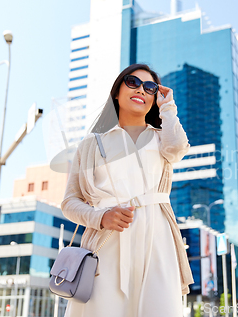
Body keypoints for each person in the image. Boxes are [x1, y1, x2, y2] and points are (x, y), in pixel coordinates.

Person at [60, 63, 194, 317]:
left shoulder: (162, 138)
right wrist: (100, 217)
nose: (141, 90)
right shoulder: (91, 144)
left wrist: (168, 107)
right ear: (117, 92)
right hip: (106, 243)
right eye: (132, 82)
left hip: (158, 242)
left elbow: (178, 149)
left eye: (150, 87)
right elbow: (69, 202)